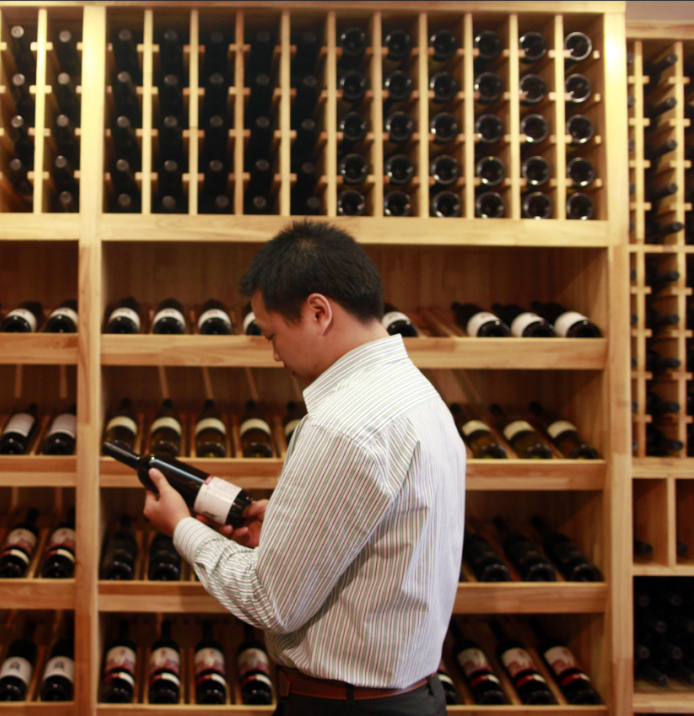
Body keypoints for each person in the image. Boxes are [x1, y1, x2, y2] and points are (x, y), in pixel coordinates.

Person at [143, 220, 465, 716]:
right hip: (416, 697)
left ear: (319, 312)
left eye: (272, 334)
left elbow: (268, 601)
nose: (275, 354)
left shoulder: (342, 423)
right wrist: (287, 529)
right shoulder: (419, 393)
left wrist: (181, 527)